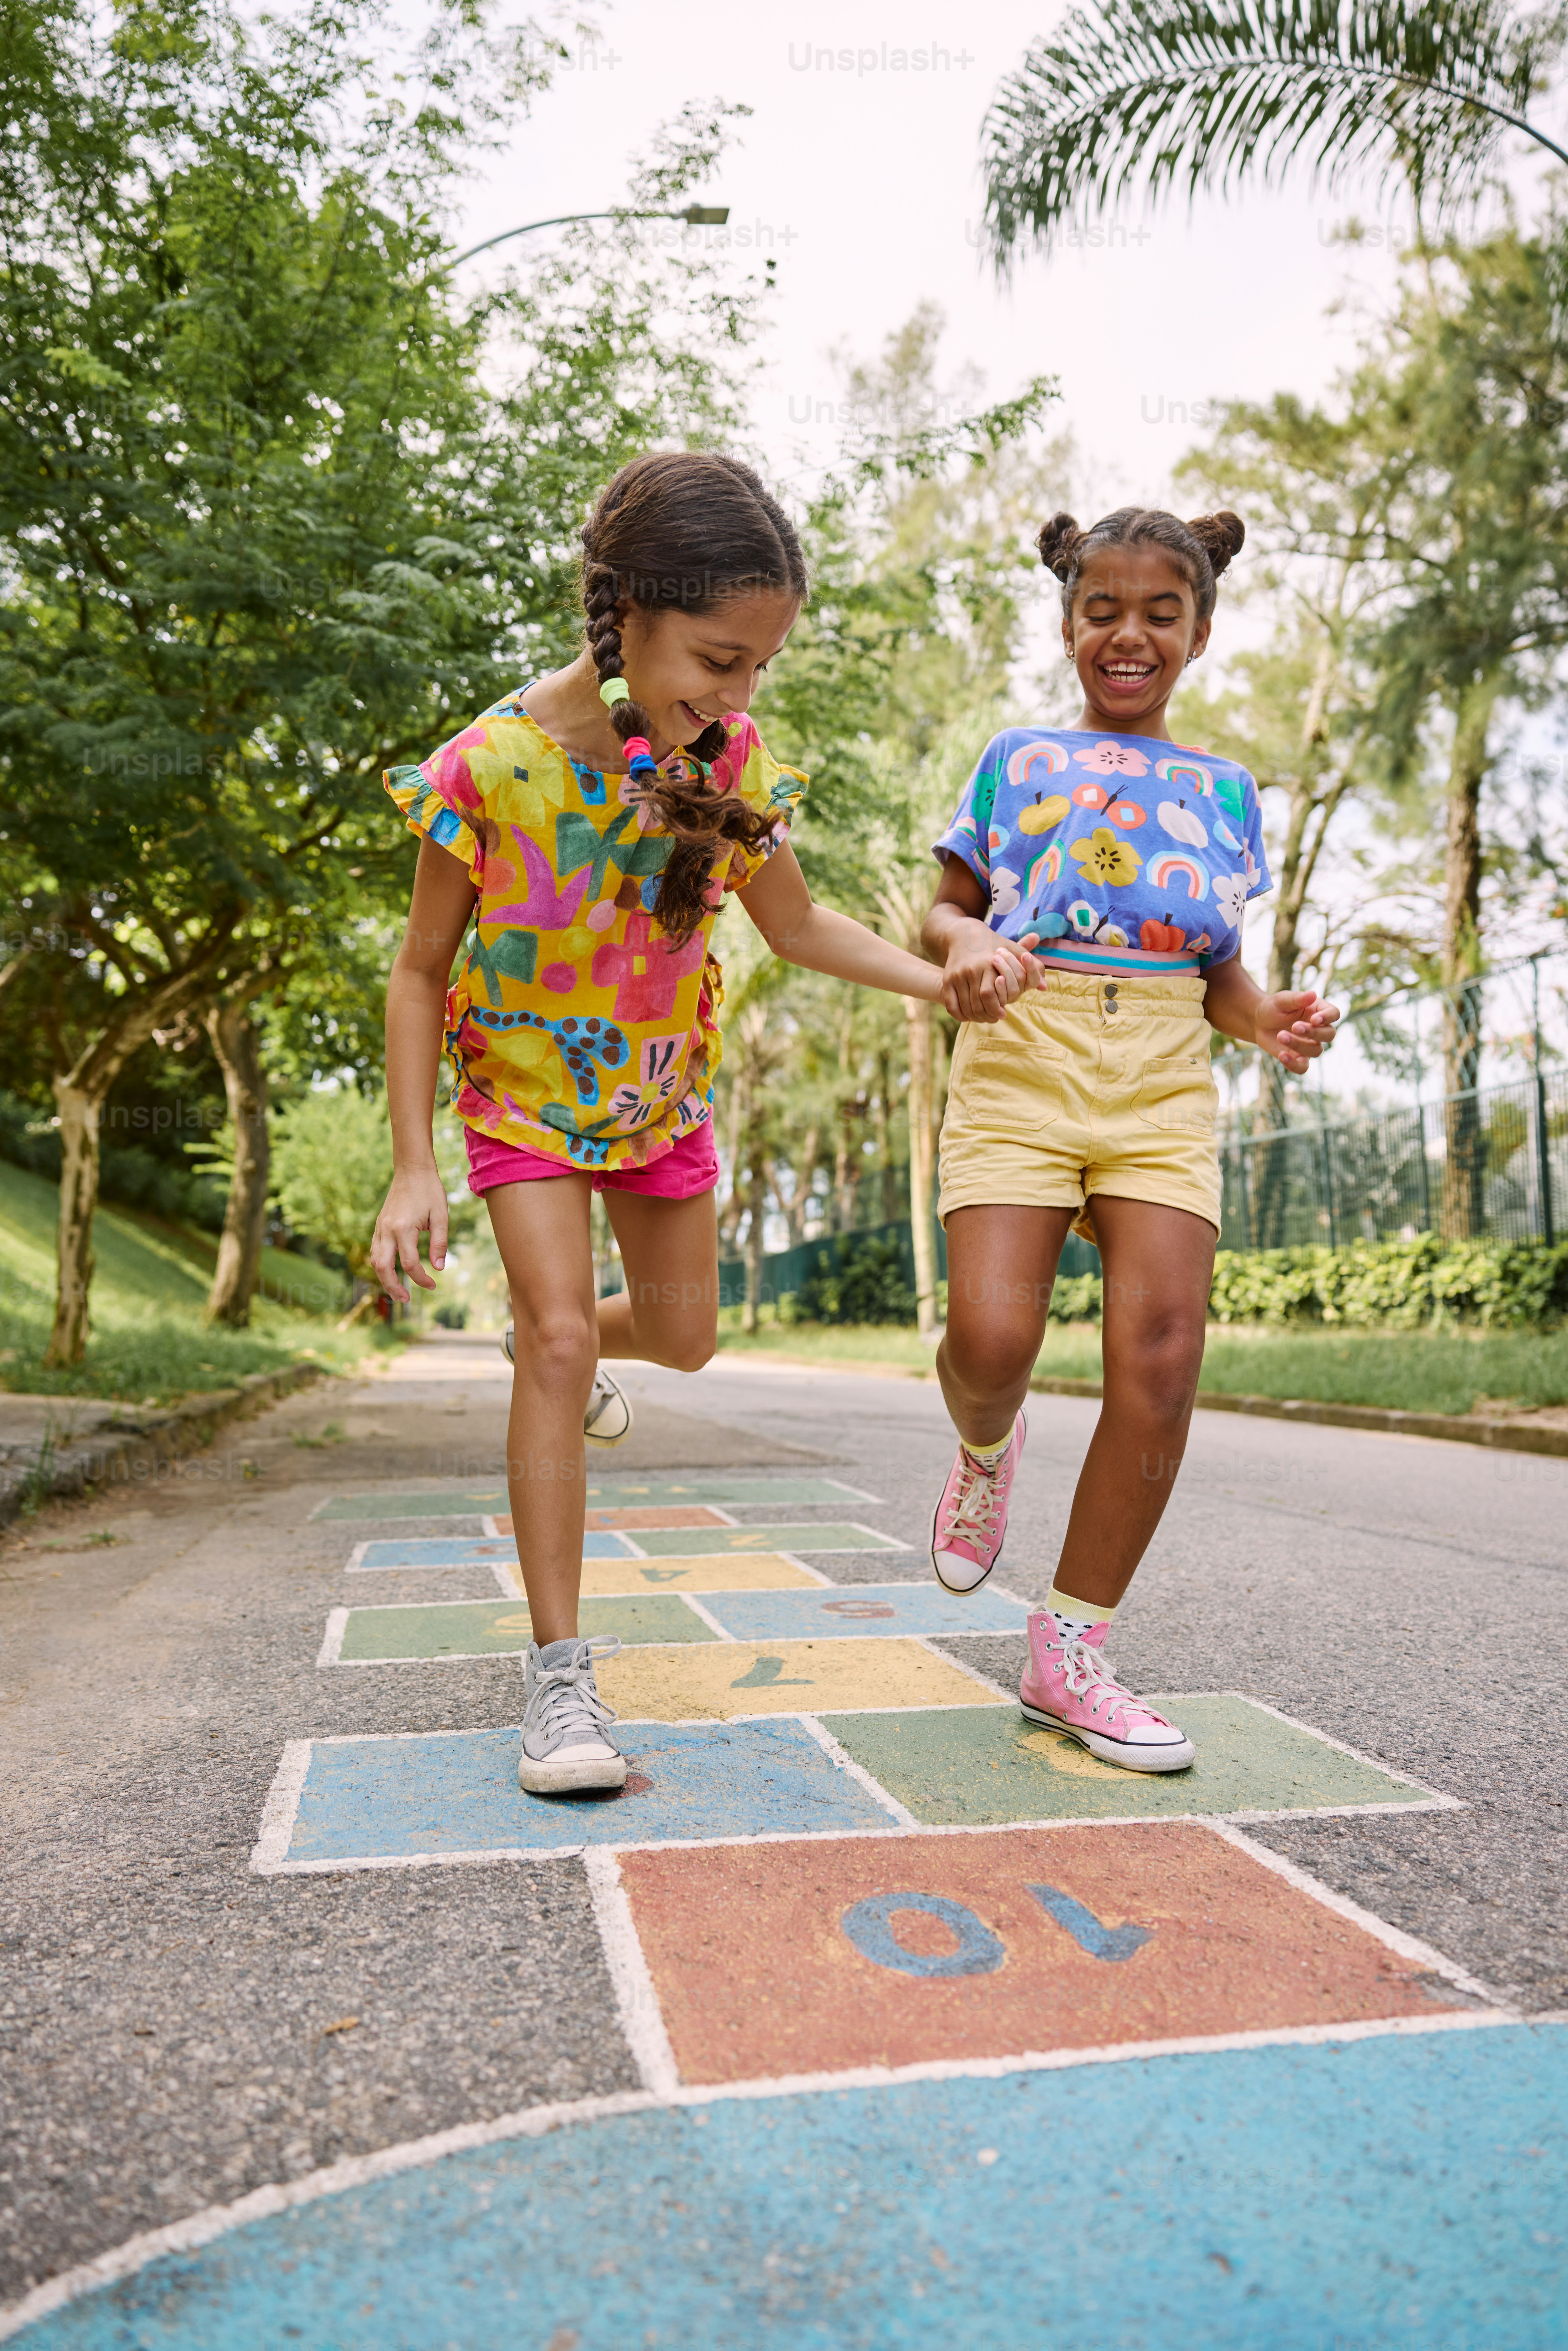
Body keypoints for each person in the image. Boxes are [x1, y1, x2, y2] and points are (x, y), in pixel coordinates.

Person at [370, 451, 1032, 1798]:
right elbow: (420, 969)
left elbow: (794, 924)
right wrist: (412, 1164)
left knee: (683, 1335)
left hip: (659, 1098)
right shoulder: (487, 765)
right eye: (720, 660)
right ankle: (560, 1683)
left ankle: (543, 1341)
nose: (736, 695)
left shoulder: (729, 760)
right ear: (629, 617)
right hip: (525, 1103)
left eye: (756, 671)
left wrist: (946, 978)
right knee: (562, 1337)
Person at [923, 505, 1339, 1772]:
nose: (1130, 633)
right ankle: (986, 1448)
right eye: (1104, 610)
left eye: (1162, 613)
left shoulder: (1224, 792)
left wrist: (1262, 1016)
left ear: (1201, 633)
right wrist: (973, 943)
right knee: (992, 1339)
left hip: (1162, 1078)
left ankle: (1071, 1647)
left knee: (1159, 1364)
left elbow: (1217, 964)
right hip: (1025, 1053)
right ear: (1066, 625)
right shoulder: (1015, 758)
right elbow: (941, 911)